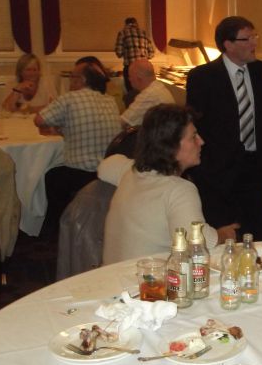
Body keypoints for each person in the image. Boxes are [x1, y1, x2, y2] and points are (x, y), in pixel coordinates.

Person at [101, 104, 238, 264]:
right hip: (147, 276)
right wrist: (225, 235)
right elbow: (199, 242)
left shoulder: (130, 172)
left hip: (111, 272)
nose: (201, 141)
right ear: (171, 146)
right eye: (193, 137)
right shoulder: (179, 190)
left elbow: (104, 167)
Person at [185, 16, 262, 241]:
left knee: (259, 234)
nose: (254, 43)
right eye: (247, 38)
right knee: (226, 236)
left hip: (257, 167)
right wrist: (206, 168)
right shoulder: (202, 76)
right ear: (228, 44)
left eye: (255, 36)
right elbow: (197, 125)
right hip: (219, 171)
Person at [34, 62, 121, 237]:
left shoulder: (69, 98)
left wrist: (59, 126)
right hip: (108, 170)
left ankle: (54, 227)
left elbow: (39, 120)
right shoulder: (110, 100)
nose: (70, 81)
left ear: (81, 80)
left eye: (72, 77)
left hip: (80, 173)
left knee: (50, 175)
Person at [120, 58, 174, 127]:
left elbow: (123, 122)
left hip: (162, 132)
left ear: (138, 78)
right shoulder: (159, 87)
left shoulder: (148, 94)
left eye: (130, 76)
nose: (129, 79)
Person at [114, 17, 155, 92]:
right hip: (144, 67)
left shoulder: (123, 33)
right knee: (144, 91)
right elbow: (151, 54)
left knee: (131, 93)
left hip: (130, 68)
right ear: (136, 23)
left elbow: (118, 53)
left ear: (126, 24)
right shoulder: (144, 33)